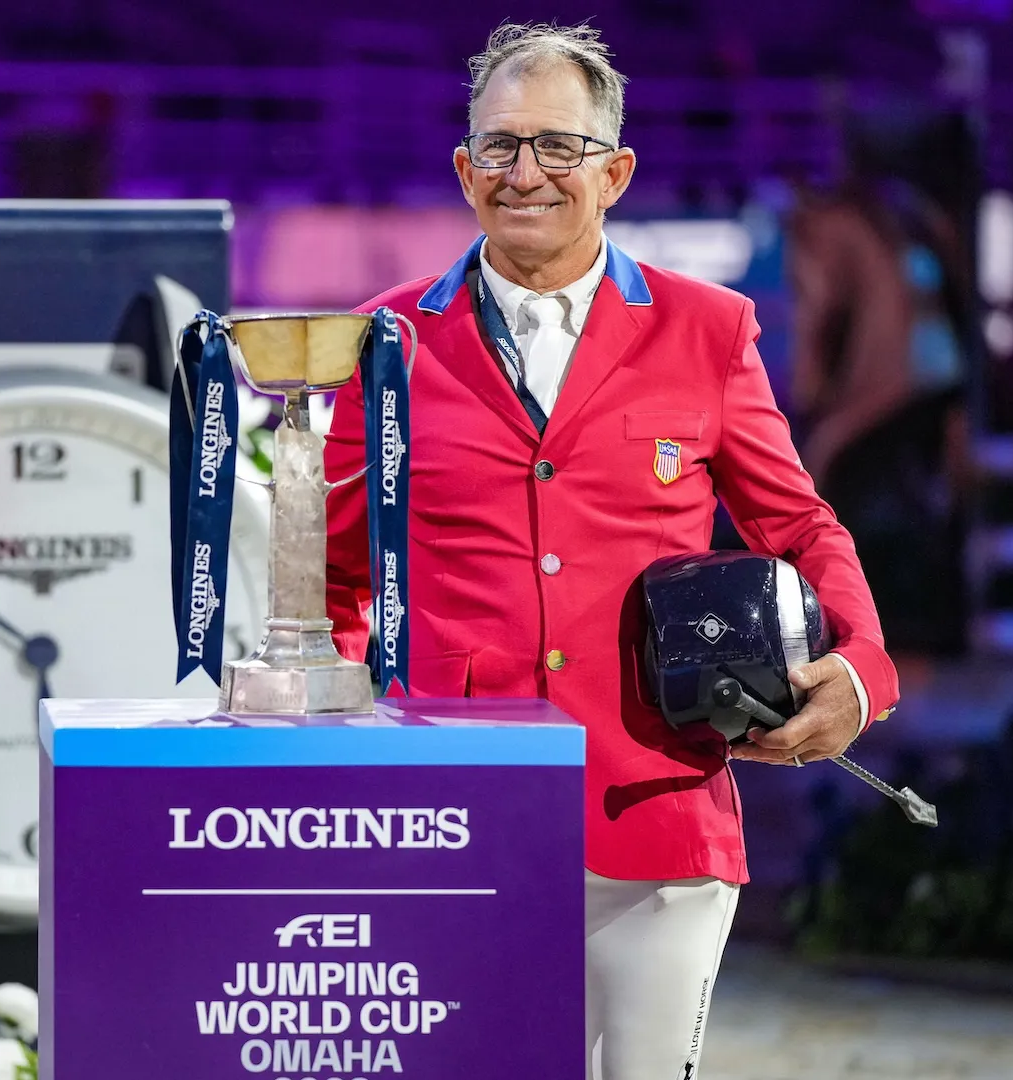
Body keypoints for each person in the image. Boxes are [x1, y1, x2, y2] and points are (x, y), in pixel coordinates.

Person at [321, 23, 898, 1080]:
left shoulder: (709, 330)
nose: (525, 173)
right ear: (462, 169)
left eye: (558, 147)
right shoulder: (382, 343)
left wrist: (858, 669)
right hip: (453, 818)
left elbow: (799, 527)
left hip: (658, 811)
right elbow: (338, 575)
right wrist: (344, 749)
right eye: (497, 148)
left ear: (616, 171)